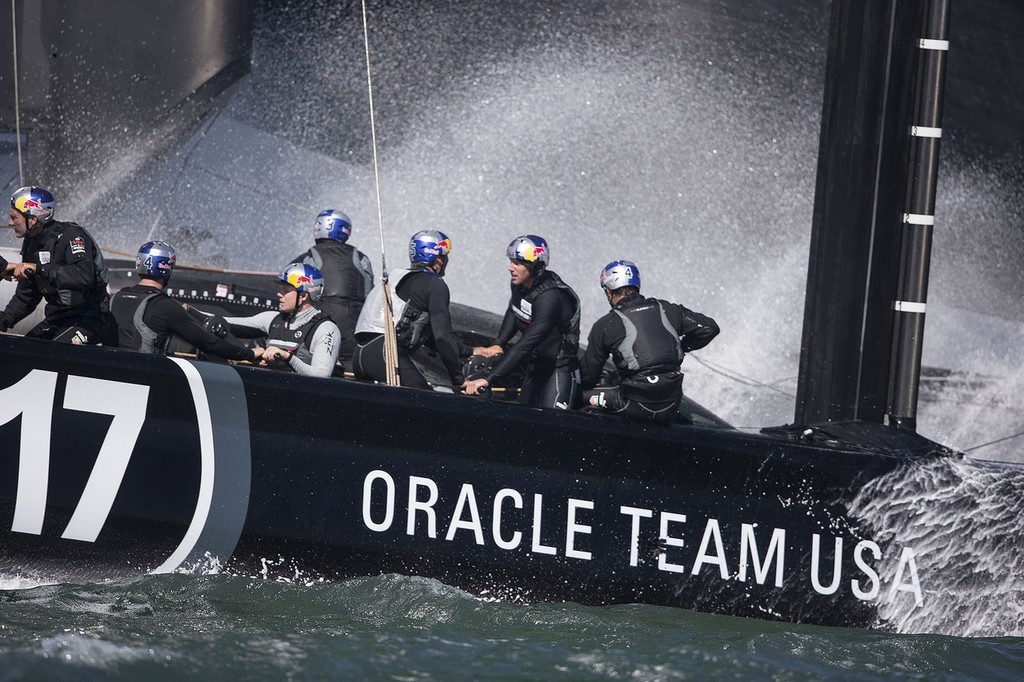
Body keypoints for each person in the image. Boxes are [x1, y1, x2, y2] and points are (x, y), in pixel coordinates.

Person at [578, 260, 719, 421]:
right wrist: (682, 347)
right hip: (671, 405)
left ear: (608, 292)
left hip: (634, 405)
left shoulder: (606, 325)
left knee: (580, 395)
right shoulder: (668, 309)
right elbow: (709, 328)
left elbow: (588, 377)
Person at [462, 235, 581, 409]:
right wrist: (499, 343)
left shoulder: (550, 298)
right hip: (536, 365)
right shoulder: (520, 284)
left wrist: (488, 379)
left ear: (535, 266)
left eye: (517, 263)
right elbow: (514, 310)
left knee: (551, 425)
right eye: (511, 261)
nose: (510, 268)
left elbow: (524, 345)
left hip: (558, 369)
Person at [352, 229, 472, 389]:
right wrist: (459, 380)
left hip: (360, 356)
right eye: (444, 256)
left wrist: (471, 350)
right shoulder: (434, 284)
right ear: (437, 259)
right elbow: (442, 337)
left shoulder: (395, 277)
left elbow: (428, 338)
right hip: (386, 355)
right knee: (428, 404)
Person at [108, 240, 263, 363]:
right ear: (167, 269)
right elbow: (208, 342)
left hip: (109, 376)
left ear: (139, 264)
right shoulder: (164, 306)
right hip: (143, 378)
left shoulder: (115, 298)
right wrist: (248, 354)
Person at [0, 186, 109, 343]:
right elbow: (27, 296)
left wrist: (39, 268)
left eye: (14, 217)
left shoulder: (71, 236)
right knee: (24, 351)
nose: (10, 223)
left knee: (49, 354)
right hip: (57, 319)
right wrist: (4, 320)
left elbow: (83, 276)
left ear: (33, 220)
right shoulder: (31, 242)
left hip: (89, 319)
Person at [213, 263, 340, 377]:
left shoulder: (326, 329)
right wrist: (193, 312)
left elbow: (322, 374)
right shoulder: (272, 319)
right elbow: (223, 322)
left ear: (303, 296)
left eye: (285, 290)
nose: (279, 294)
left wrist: (287, 357)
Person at [290, 209, 373, 369]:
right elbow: (368, 292)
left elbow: (291, 292)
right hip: (354, 329)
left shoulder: (309, 257)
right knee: (354, 369)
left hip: (319, 326)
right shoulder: (362, 258)